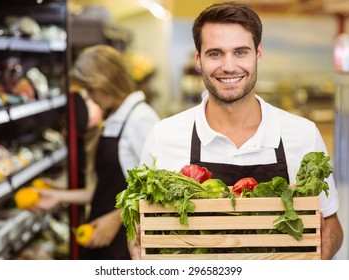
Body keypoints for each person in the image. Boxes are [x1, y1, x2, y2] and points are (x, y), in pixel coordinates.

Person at [131, 2, 343, 260]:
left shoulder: (303, 135)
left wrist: (326, 247)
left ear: (259, 54)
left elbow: (330, 222)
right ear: (198, 58)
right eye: (215, 54)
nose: (229, 66)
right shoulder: (163, 137)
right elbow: (141, 226)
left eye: (241, 52)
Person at [34, 45, 160, 260]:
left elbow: (160, 191)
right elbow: (111, 191)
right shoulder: (115, 118)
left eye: (91, 89)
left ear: (106, 81)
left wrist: (115, 219)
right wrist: (58, 196)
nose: (90, 98)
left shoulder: (140, 119)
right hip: (102, 239)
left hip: (126, 242)